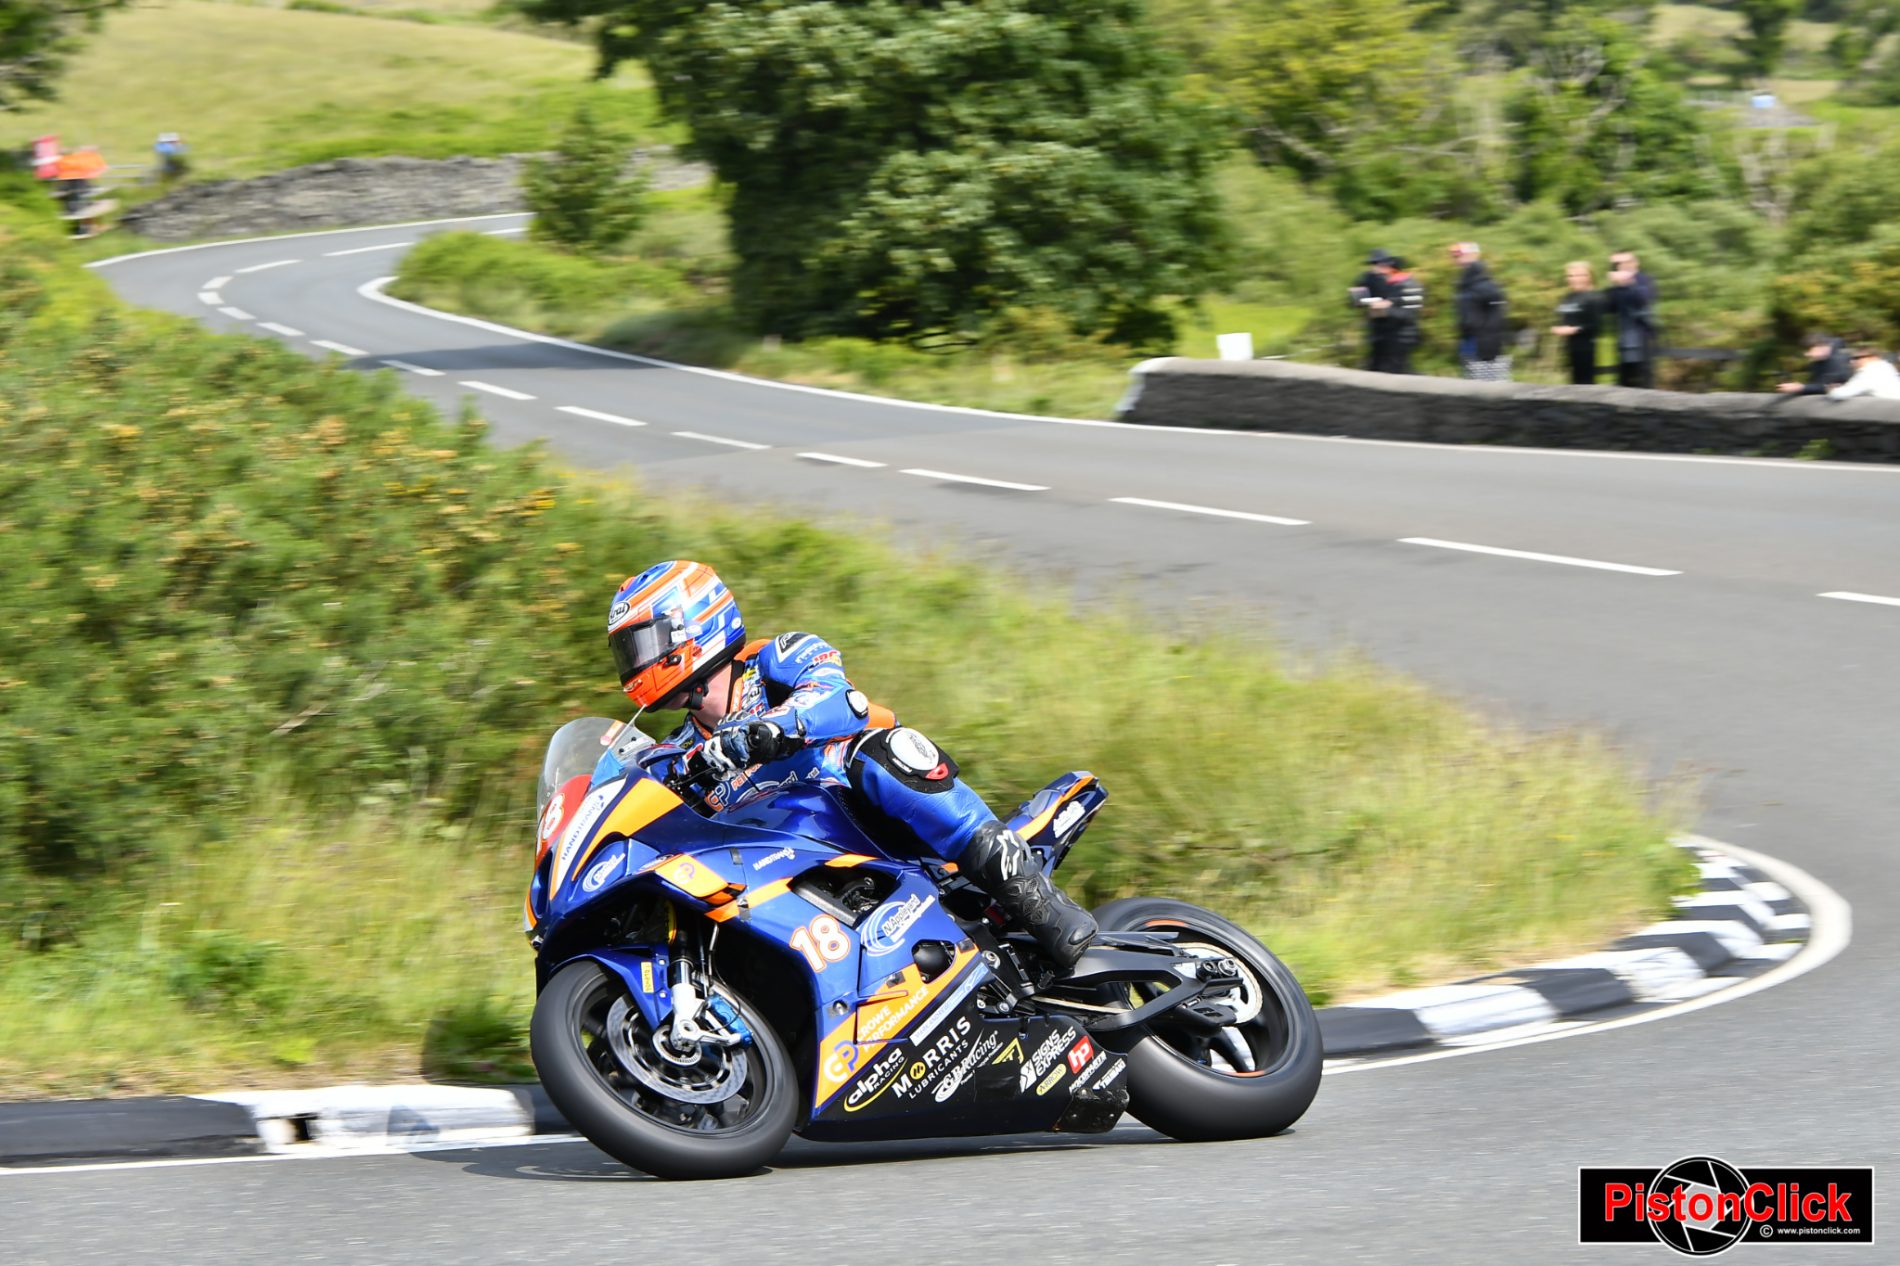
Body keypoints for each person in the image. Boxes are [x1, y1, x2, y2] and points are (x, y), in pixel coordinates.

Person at [606, 560, 1098, 968]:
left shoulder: (777, 660)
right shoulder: (679, 753)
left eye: (642, 645)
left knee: (884, 752)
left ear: (691, 625)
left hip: (870, 825)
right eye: (626, 653)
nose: (633, 664)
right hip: (785, 870)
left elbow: (844, 700)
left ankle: (1040, 905)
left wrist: (773, 728)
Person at [1349, 249, 1421, 374]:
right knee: (1378, 371)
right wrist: (1359, 298)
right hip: (1383, 336)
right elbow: (1356, 301)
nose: (1376, 270)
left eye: (1381, 265)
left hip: (1401, 337)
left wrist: (1385, 309)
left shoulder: (1410, 285)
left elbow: (1409, 314)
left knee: (1398, 373)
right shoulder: (1378, 280)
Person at [1450, 241, 1511, 381]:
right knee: (1470, 383)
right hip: (1468, 339)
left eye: (1461, 255)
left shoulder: (1485, 284)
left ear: (1474, 255)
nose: (1457, 260)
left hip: (1482, 343)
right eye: (1455, 257)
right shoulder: (1463, 283)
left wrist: (1489, 343)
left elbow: (1497, 316)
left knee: (1486, 386)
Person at [1604, 250, 1659, 388]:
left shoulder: (1645, 280)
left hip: (1642, 339)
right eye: (1618, 263)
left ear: (1635, 262)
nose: (1623, 266)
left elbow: (1644, 300)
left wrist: (1629, 282)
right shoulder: (1617, 286)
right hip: (1623, 339)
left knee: (1645, 380)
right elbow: (1609, 308)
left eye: (1627, 262)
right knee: (1624, 381)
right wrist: (1615, 285)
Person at [1550, 261, 1605, 386]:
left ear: (1589, 276)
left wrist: (1574, 330)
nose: (1574, 279)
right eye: (1570, 276)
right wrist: (1558, 327)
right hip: (1570, 349)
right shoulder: (1568, 296)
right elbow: (1564, 317)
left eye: (1579, 275)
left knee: (1586, 385)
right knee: (1574, 384)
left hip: (1588, 349)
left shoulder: (1595, 297)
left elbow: (1596, 326)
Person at [1775, 334, 1852, 396]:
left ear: (1820, 346)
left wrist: (1801, 388)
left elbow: (1828, 386)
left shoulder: (1838, 361)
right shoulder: (1820, 360)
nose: (1806, 354)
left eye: (1809, 351)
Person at [1827, 347, 1900, 401]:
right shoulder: (1886, 367)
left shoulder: (1870, 371)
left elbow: (1841, 394)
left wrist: (1832, 390)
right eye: (1851, 358)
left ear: (1873, 358)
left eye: (1857, 358)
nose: (1852, 362)